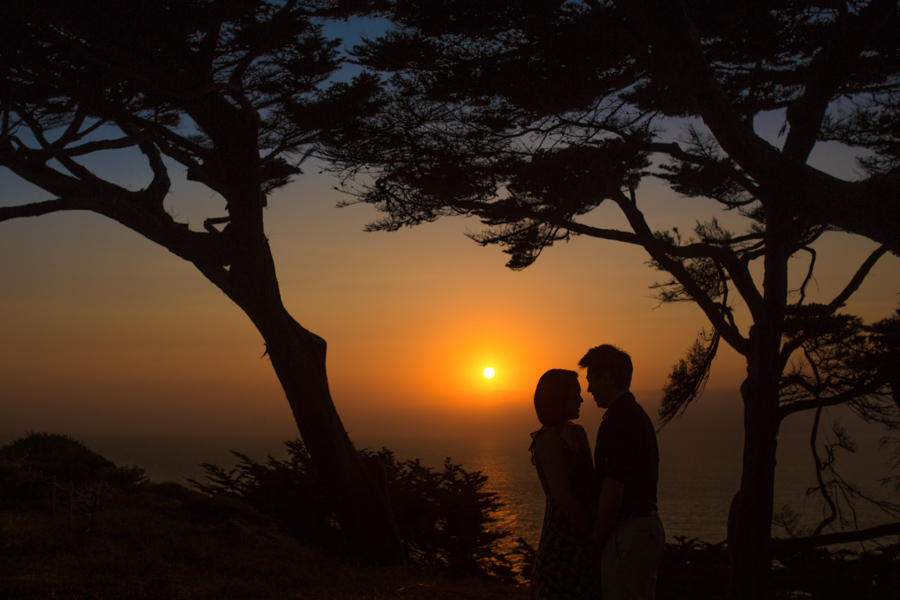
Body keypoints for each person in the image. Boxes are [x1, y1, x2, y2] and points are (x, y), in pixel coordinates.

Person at [580, 345, 665, 600]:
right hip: (645, 529)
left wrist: (596, 541)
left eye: (591, 380)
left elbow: (613, 489)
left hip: (628, 534)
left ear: (606, 378)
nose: (588, 390)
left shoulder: (618, 422)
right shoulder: (637, 416)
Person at [528, 369, 601, 600]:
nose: (581, 400)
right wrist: (593, 535)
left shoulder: (578, 433)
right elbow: (563, 497)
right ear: (559, 397)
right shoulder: (548, 439)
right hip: (562, 539)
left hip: (586, 529)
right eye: (575, 394)